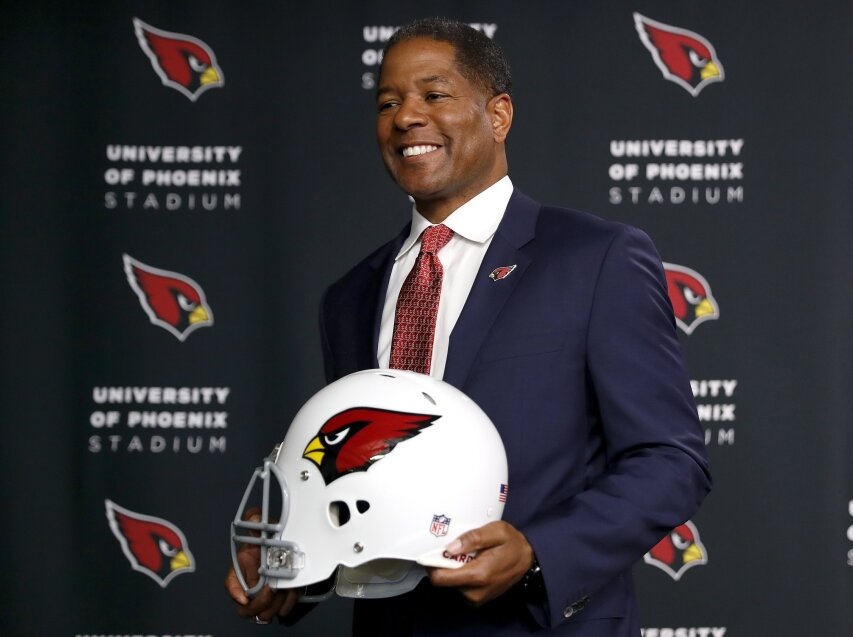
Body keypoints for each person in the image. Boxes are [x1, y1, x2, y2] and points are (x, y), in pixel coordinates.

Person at [226, 17, 711, 636]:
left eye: (434, 95)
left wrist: (539, 549)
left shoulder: (595, 258)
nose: (406, 118)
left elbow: (669, 459)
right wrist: (298, 566)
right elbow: (364, 472)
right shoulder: (349, 297)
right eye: (388, 103)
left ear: (499, 115)